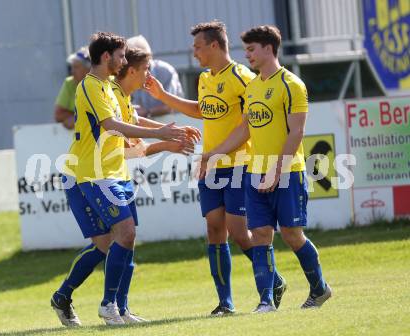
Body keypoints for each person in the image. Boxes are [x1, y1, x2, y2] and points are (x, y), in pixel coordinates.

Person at [144, 21, 286, 315]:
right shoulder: (205, 79)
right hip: (211, 165)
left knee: (238, 231)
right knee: (213, 228)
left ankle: (273, 282)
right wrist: (162, 97)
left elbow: (253, 120)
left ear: (213, 45)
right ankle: (226, 303)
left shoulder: (243, 77)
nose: (193, 52)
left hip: (239, 164)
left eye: (197, 47)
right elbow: (201, 110)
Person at [50, 32, 189, 327]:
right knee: (121, 235)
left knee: (115, 242)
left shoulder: (112, 90)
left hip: (114, 172)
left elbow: (133, 128)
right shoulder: (91, 86)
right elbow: (113, 126)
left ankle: (100, 304)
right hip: (91, 174)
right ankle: (108, 306)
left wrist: (170, 134)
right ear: (106, 57)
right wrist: (163, 135)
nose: (125, 63)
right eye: (122, 56)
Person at [200, 25, 332, 313]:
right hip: (254, 173)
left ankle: (320, 289)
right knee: (259, 234)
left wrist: (277, 171)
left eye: (251, 49)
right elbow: (245, 129)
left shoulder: (292, 85)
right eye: (246, 49)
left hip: (288, 172)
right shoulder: (254, 86)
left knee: (292, 236)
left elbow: (296, 133)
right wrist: (214, 153)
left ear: (268, 49)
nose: (247, 55)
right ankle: (266, 301)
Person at [127, 35, 184, 118]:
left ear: (148, 56)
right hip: (146, 125)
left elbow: (170, 106)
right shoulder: (131, 73)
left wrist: (147, 112)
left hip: (174, 122)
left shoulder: (165, 71)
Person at [54, 47, 91, 129]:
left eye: (76, 67)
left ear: (88, 69)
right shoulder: (69, 83)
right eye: (72, 67)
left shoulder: (105, 82)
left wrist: (77, 119)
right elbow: (58, 115)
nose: (72, 71)